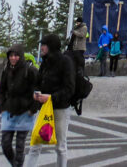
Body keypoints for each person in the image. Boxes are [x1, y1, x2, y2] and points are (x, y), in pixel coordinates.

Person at [23, 33, 75, 167]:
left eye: (44, 45)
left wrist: (51, 97)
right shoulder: (45, 62)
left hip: (60, 109)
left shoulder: (65, 62)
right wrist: (36, 92)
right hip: (43, 108)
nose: (41, 47)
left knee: (60, 146)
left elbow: (69, 89)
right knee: (35, 143)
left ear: (51, 46)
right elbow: (38, 82)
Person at [0, 44, 38, 167]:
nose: (13, 58)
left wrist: (33, 109)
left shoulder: (30, 70)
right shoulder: (7, 70)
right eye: (11, 55)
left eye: (16, 55)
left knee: (20, 146)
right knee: (5, 144)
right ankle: (15, 164)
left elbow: (37, 90)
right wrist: (2, 106)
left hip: (25, 111)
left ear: (21, 56)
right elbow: (2, 89)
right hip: (9, 110)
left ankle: (18, 164)